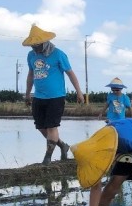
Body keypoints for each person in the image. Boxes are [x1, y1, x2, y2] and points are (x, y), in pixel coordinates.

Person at [22, 24, 85, 163]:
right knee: (41, 126)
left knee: (52, 126)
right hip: (38, 96)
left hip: (56, 96)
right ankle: (63, 145)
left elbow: (70, 73)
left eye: (37, 45)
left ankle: (47, 158)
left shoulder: (58, 54)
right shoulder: (31, 55)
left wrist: (79, 92)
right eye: (32, 45)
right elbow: (30, 74)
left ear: (44, 43)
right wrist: (27, 94)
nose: (35, 48)